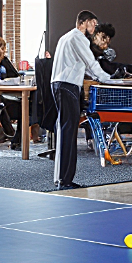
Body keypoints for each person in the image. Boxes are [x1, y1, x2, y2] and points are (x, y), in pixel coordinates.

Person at [50, 11, 112, 190]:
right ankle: (65, 180)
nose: (94, 27)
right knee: (69, 133)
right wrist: (109, 79)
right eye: (93, 23)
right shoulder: (79, 38)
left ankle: (60, 178)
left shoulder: (65, 38)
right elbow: (91, 63)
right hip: (68, 86)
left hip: (58, 85)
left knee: (64, 131)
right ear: (83, 22)